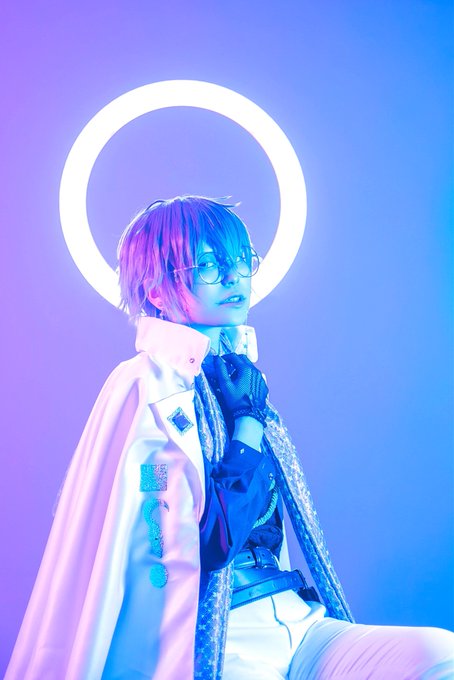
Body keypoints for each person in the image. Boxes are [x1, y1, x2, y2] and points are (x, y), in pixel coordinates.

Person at [6, 196, 454, 679]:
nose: (235, 277)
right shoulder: (146, 388)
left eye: (242, 260)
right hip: (218, 641)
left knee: (434, 655)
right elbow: (196, 547)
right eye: (210, 265)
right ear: (156, 290)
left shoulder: (237, 375)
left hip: (298, 621)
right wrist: (247, 426)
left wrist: (247, 413)